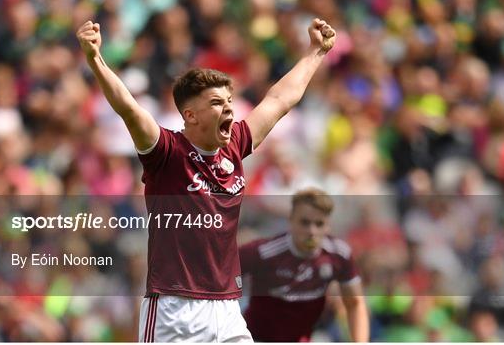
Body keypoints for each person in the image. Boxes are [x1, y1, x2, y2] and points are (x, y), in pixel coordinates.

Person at [76, 18, 336, 342]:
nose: (229, 109)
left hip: (226, 308)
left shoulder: (235, 145)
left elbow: (279, 100)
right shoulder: (167, 152)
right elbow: (129, 108)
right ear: (191, 115)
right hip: (173, 307)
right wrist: (96, 59)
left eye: (229, 102)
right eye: (216, 103)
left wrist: (315, 51)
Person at [239, 188, 369, 342]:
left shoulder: (339, 255)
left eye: (319, 224)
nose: (311, 231)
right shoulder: (263, 252)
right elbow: (218, 279)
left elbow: (355, 303)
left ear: (328, 226)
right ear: (291, 220)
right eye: (304, 222)